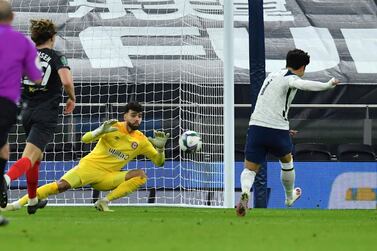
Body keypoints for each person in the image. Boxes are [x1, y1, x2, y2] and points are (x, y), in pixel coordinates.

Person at [2, 102, 170, 213]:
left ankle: (104, 201)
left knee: (140, 175)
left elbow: (159, 162)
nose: (137, 119)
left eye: (140, 116)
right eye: (133, 115)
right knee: (61, 186)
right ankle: (16, 204)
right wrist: (99, 132)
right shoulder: (112, 127)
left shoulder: (141, 139)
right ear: (125, 115)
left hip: (108, 177)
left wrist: (161, 148)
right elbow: (85, 139)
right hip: (89, 168)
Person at [236, 49, 340, 216]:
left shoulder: (272, 76)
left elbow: (269, 102)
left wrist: (283, 127)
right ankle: (289, 196)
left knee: (250, 169)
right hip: (277, 130)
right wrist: (328, 85)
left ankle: (246, 192)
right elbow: (303, 84)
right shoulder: (291, 78)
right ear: (303, 67)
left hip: (256, 126)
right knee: (286, 161)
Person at [2, 18, 75, 214]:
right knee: (29, 156)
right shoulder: (57, 56)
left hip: (27, 112)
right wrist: (72, 98)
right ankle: (6, 180)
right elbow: (66, 81)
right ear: (52, 37)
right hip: (46, 114)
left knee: (36, 157)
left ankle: (32, 200)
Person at [0, 0, 43, 225]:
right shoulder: (21, 42)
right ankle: (2, 181)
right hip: (6, 102)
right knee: (3, 147)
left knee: (3, 147)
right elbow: (36, 76)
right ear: (12, 17)